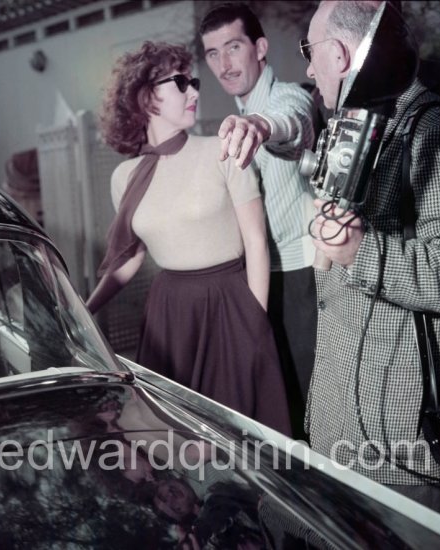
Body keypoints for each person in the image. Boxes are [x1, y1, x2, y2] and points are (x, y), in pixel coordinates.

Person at [302, 0, 440, 520]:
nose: (307, 68)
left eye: (310, 51)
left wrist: (359, 249)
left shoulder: (436, 129)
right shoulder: (357, 124)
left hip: (398, 438)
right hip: (340, 418)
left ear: (341, 53)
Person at [87, 41, 291, 436]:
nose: (195, 91)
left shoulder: (223, 150)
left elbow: (256, 244)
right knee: (175, 437)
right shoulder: (124, 178)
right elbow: (130, 259)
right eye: (181, 83)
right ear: (146, 97)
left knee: (236, 438)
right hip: (169, 314)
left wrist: (255, 321)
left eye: (193, 81)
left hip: (229, 306)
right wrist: (83, 309)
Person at [200, 3, 317, 439]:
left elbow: (294, 119)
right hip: (256, 279)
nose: (223, 64)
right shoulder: (230, 121)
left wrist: (260, 125)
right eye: (212, 54)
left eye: (233, 47)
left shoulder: (288, 97)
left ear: (260, 48)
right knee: (277, 407)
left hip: (301, 277)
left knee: (309, 408)